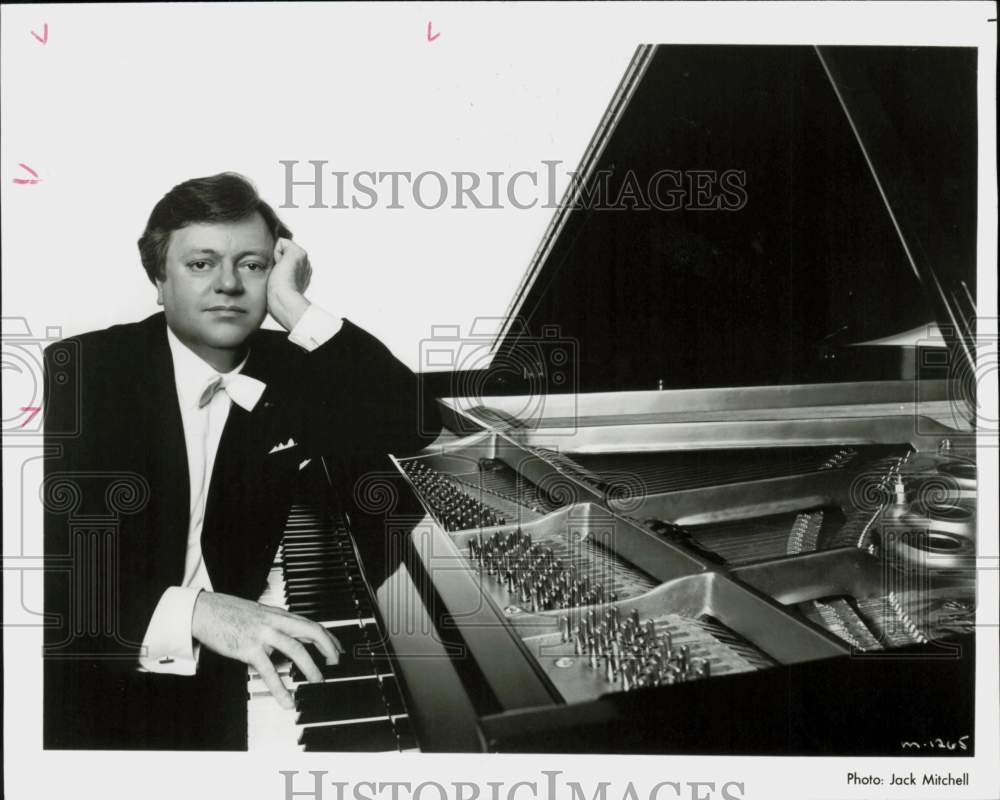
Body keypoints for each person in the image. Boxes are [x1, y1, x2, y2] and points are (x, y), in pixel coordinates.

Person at [42, 172, 440, 750]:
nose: (228, 284)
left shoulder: (291, 367)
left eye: (252, 266)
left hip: (233, 671)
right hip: (102, 676)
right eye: (201, 264)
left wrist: (293, 305)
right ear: (158, 279)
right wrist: (198, 613)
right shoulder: (82, 374)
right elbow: (47, 571)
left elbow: (415, 423)